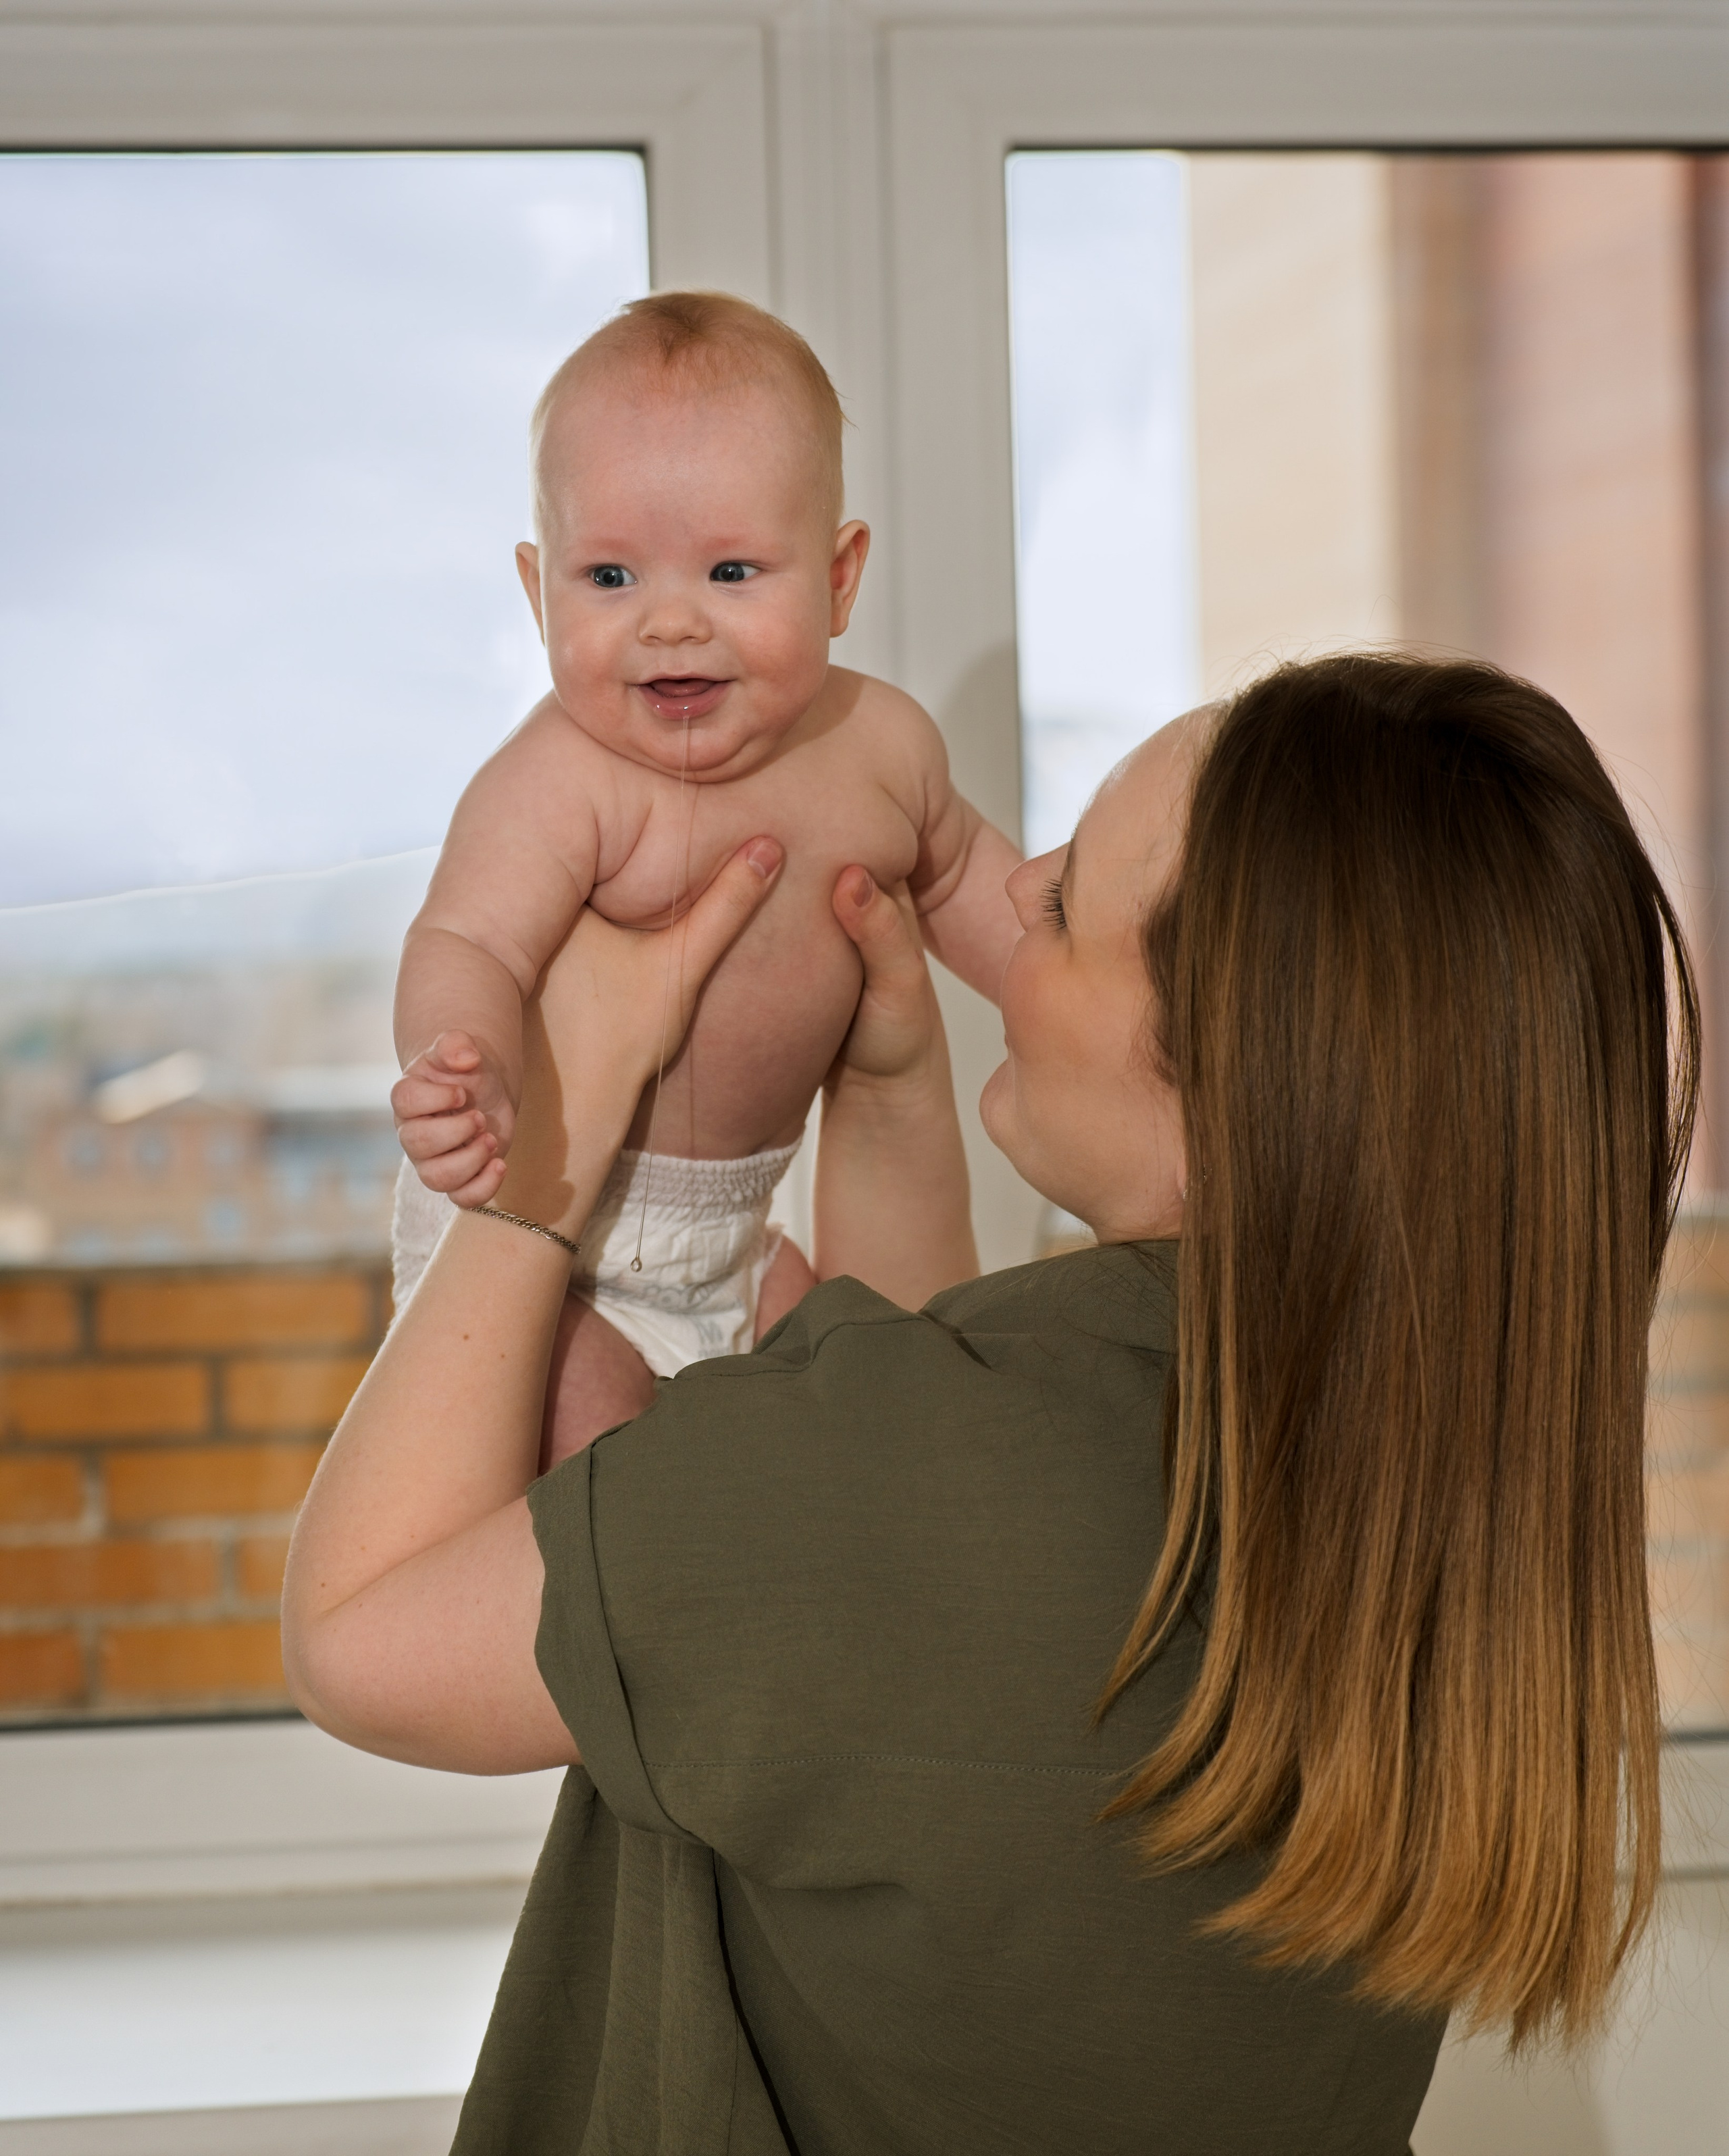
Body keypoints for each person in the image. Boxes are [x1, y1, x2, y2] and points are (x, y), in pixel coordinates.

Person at [284, 654, 1696, 2151]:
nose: (1010, 885)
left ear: (1230, 1090)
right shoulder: (1425, 1507)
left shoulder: (922, 1488)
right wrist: (892, 1093)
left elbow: (361, 1631)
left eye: (1069, 903)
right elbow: (910, 1515)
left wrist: (546, 1141)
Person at [390, 290, 1019, 1448]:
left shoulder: (880, 749)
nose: (670, 623)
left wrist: (1092, 995)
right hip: (558, 1236)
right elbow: (466, 941)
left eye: (731, 572)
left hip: (736, 1226)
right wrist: (459, 1071)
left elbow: (978, 883)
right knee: (609, 1461)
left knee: (851, 1390)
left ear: (837, 579)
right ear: (538, 592)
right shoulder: (562, 779)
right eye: (611, 579)